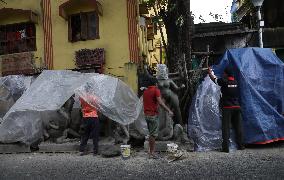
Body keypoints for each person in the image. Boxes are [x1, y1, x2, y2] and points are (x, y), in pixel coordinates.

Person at [208, 66, 245, 153]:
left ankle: (225, 148)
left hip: (227, 108)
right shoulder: (236, 82)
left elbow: (214, 79)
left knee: (226, 128)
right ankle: (241, 145)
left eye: (224, 73)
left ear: (226, 74)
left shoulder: (224, 81)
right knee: (239, 127)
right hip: (237, 107)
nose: (223, 74)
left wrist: (210, 73)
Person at [143, 77, 173, 159]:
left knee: (151, 133)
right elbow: (160, 102)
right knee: (153, 135)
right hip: (153, 115)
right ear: (156, 84)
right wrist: (168, 110)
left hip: (146, 115)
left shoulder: (145, 91)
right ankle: (152, 153)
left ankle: (150, 150)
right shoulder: (156, 90)